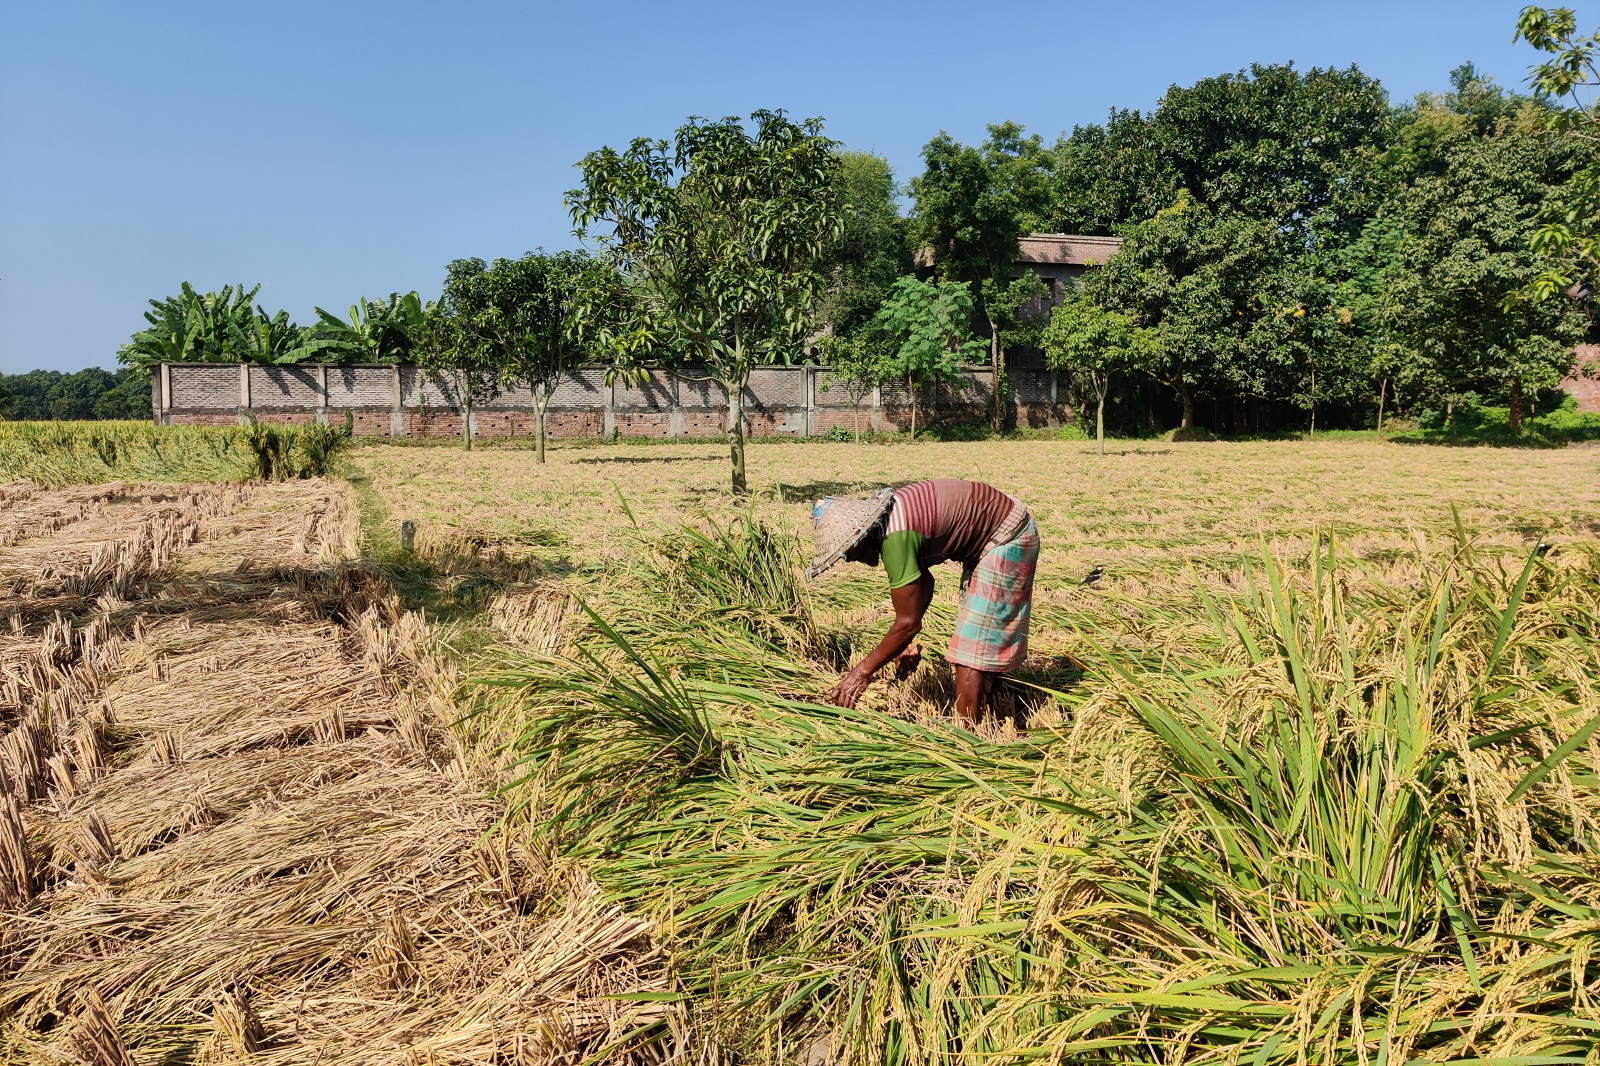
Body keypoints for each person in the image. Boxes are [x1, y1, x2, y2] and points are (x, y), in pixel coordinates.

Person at [807, 479, 1039, 727]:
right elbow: (923, 584)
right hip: (996, 529)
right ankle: (989, 708)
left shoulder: (895, 538)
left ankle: (966, 738)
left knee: (972, 647)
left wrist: (861, 673)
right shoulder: (891, 524)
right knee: (981, 636)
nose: (850, 559)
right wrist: (902, 643)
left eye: (847, 551)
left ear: (860, 536)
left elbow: (907, 623)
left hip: (1008, 534)